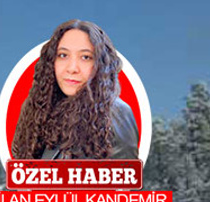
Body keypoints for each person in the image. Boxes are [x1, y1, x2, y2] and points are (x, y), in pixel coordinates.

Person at [11, 19, 139, 161]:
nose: (72, 68)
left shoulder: (116, 113)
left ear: (100, 65)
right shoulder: (36, 108)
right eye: (63, 55)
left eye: (85, 57)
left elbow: (126, 177)